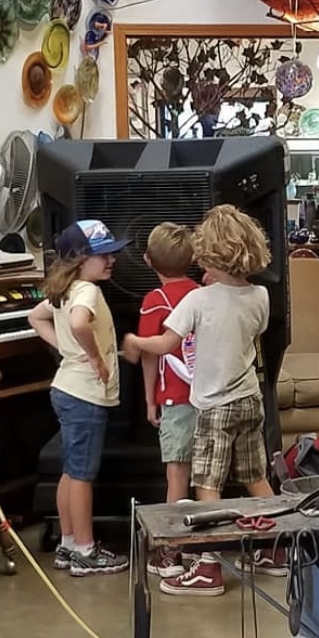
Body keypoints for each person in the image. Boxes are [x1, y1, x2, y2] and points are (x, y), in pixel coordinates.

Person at [123, 205, 282, 597]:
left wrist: (135, 341)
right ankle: (276, 549)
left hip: (215, 405)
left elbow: (166, 344)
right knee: (255, 477)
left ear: (208, 255)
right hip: (250, 400)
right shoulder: (260, 295)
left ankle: (208, 566)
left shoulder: (199, 300)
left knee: (207, 486)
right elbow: (251, 330)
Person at [27, 219, 130, 577]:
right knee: (83, 475)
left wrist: (66, 350)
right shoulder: (87, 291)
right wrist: (95, 358)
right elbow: (78, 324)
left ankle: (68, 543)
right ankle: (86, 550)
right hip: (85, 393)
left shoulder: (65, 289)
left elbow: (35, 316)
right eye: (103, 255)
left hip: (65, 388)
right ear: (79, 260)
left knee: (71, 472)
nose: (111, 260)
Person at [136, 222, 200, 580]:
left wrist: (150, 400)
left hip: (176, 398)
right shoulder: (203, 293)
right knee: (207, 476)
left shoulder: (154, 301)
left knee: (177, 474)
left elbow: (149, 354)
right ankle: (203, 550)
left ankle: (172, 551)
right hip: (209, 397)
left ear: (148, 260)